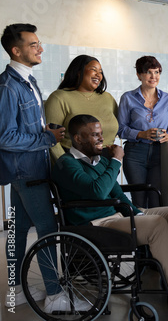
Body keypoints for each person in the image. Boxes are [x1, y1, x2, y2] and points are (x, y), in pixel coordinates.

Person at [51, 114, 168, 313]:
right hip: (97, 224)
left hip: (118, 214)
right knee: (157, 224)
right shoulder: (67, 164)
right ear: (78, 139)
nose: (101, 138)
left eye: (101, 134)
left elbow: (116, 192)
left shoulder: (98, 160)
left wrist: (137, 213)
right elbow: (97, 191)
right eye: (94, 135)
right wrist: (116, 160)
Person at [0, 23, 86, 312]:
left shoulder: (28, 80)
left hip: (29, 167)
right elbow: (4, 136)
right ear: (16, 50)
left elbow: (24, 125)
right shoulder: (8, 86)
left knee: (19, 230)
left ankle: (15, 289)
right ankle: (54, 296)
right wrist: (45, 137)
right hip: (27, 171)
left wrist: (45, 128)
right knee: (48, 229)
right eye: (34, 44)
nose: (41, 48)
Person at [118, 56, 168, 208]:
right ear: (139, 75)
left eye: (157, 72)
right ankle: (139, 230)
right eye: (149, 72)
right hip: (135, 154)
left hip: (161, 152)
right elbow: (121, 129)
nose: (153, 77)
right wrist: (141, 134)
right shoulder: (128, 98)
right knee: (139, 198)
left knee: (156, 196)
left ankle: (156, 230)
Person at [45, 54, 118, 162]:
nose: (98, 75)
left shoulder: (108, 98)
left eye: (101, 71)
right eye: (94, 70)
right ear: (79, 72)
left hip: (106, 162)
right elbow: (51, 139)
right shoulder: (59, 98)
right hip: (74, 160)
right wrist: (67, 165)